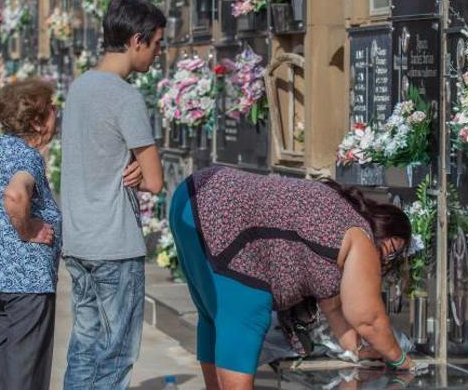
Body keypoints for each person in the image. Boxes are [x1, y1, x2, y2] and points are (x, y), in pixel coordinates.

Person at [169, 165, 416, 390]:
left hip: (194, 196)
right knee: (244, 314)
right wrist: (401, 360)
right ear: (382, 228)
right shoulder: (361, 237)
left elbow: (336, 308)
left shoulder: (340, 224)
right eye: (390, 252)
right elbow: (368, 318)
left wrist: (357, 350)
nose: (385, 261)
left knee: (215, 316)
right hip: (225, 215)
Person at [60, 0, 165, 388]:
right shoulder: (125, 96)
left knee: (84, 347)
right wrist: (140, 169)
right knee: (116, 353)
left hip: (79, 241)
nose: (157, 53)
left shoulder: (79, 88)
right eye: (156, 43)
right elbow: (155, 180)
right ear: (137, 41)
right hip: (115, 246)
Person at [0, 78, 61, 390]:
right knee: (26, 368)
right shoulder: (27, 157)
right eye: (52, 110)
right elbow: (15, 196)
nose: (56, 115)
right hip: (26, 281)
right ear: (37, 123)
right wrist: (29, 230)